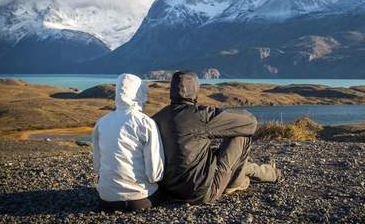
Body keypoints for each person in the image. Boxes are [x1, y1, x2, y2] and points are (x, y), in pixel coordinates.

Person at [153, 70, 281, 204]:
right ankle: (236, 182)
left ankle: (267, 173)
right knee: (241, 134)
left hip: (170, 192)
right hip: (202, 192)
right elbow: (250, 123)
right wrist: (225, 117)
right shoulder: (201, 115)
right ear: (195, 89)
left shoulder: (157, 117)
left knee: (220, 157)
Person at [92, 73, 164, 212]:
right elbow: (154, 173)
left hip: (107, 201)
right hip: (140, 199)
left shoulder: (101, 123)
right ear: (138, 94)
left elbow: (97, 166)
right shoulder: (145, 122)